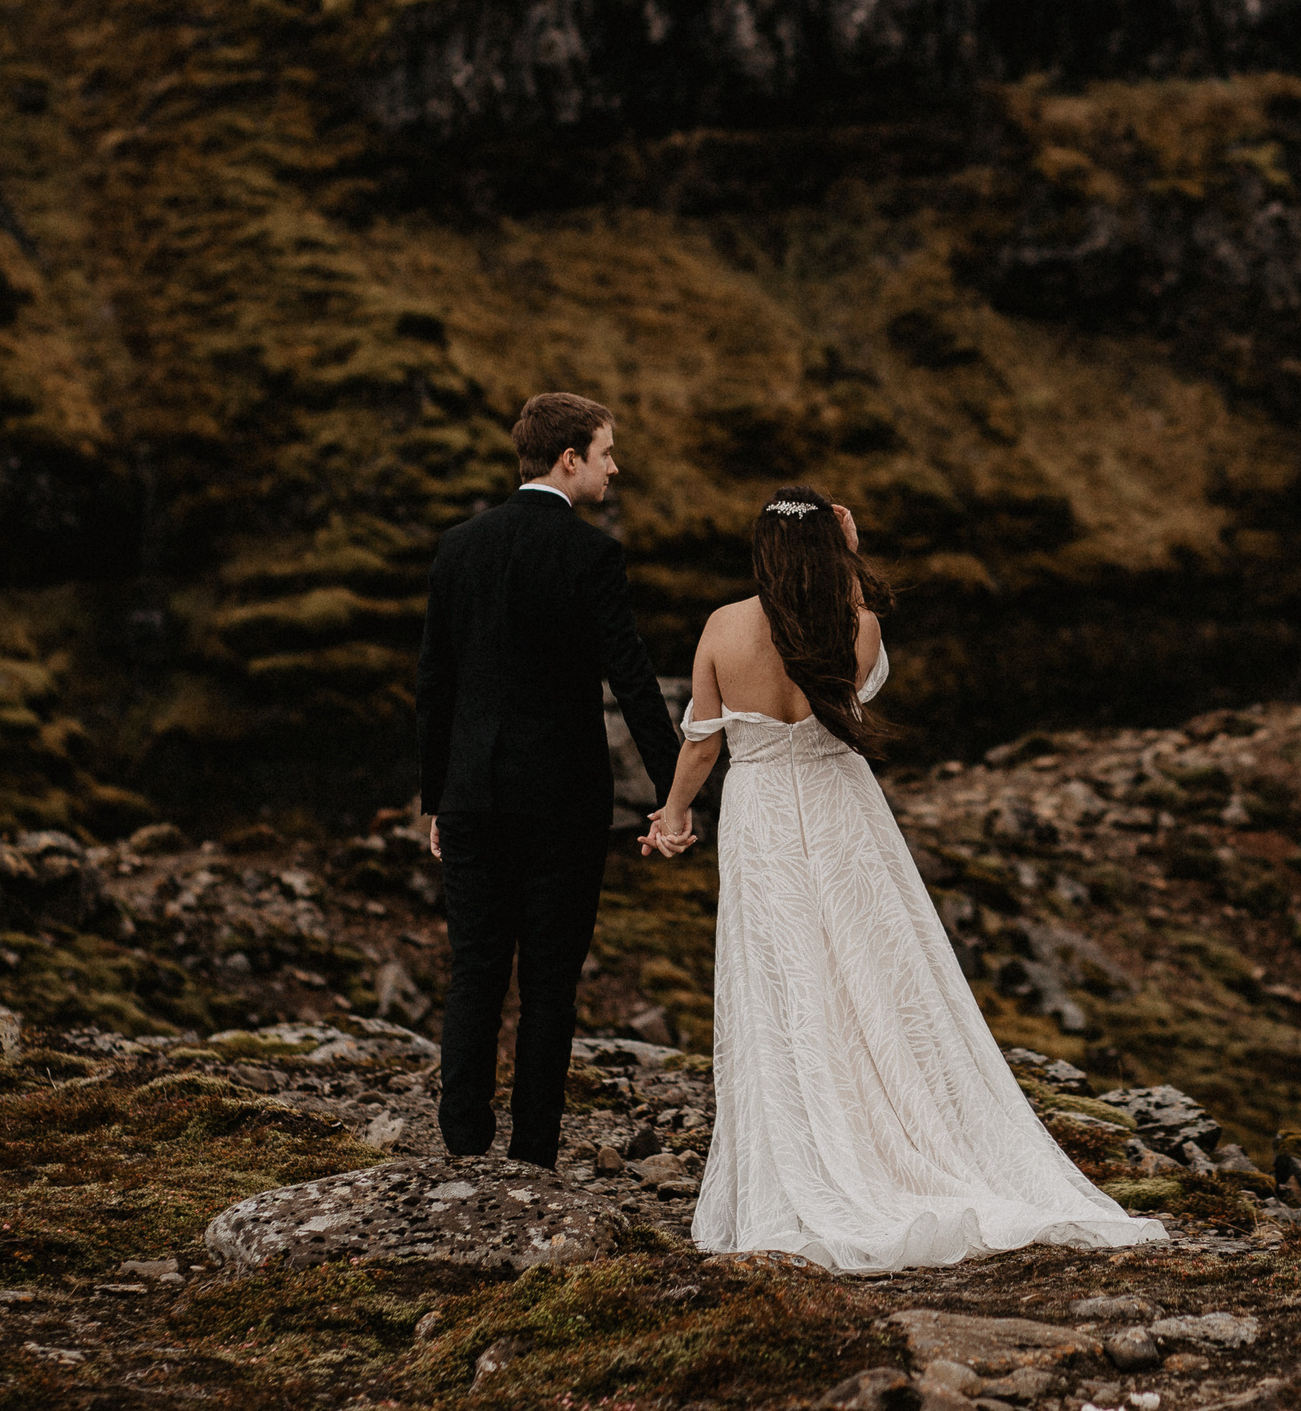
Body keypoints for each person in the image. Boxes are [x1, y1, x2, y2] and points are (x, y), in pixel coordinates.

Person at [642, 485, 1166, 1270]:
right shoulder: (855, 624)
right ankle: (900, 1132)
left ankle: (814, 1146)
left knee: (785, 976)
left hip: (763, 824)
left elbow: (702, 744)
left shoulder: (723, 626)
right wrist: (847, 561)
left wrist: (674, 815)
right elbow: (856, 684)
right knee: (876, 970)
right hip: (843, 809)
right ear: (832, 548)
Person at [416, 392, 687, 1166]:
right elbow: (632, 680)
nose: (614, 467)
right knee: (548, 984)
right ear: (568, 458)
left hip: (471, 796)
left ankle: (464, 1146)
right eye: (606, 452)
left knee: (474, 971)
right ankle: (534, 1153)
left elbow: (434, 683)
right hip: (562, 803)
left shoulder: (458, 546)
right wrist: (674, 795)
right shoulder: (590, 554)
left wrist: (439, 796)